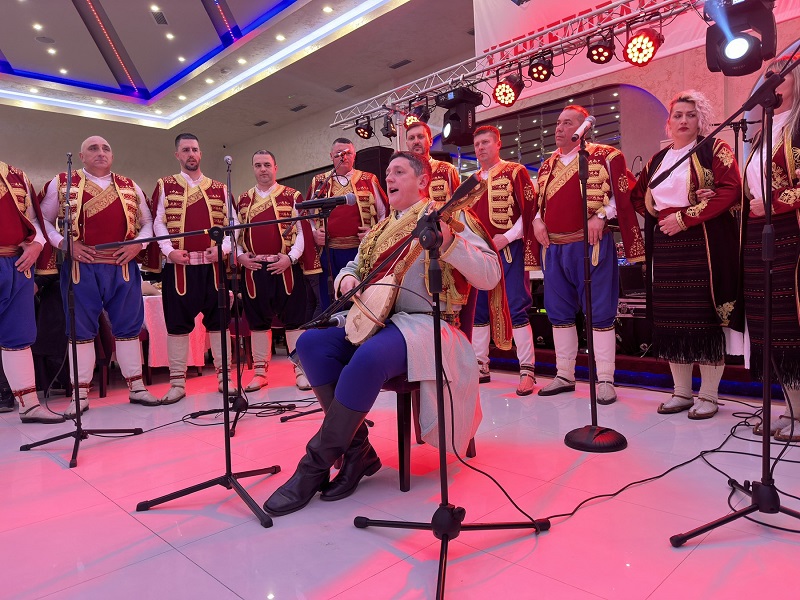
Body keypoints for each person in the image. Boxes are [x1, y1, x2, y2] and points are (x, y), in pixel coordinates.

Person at [263, 151, 504, 516]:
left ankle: (312, 467)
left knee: (370, 356)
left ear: (422, 181)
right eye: (387, 172)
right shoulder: (377, 229)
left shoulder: (451, 216)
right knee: (312, 343)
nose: (389, 178)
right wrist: (347, 278)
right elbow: (353, 265)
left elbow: (490, 274)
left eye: (399, 172)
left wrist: (450, 244)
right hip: (374, 320)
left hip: (427, 325)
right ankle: (358, 452)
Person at [631, 91, 743, 419]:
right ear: (668, 123)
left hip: (703, 243)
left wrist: (686, 216)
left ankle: (707, 396)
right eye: (677, 115)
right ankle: (681, 392)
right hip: (666, 245)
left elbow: (731, 188)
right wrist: (655, 212)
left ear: (700, 119)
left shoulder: (714, 149)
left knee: (703, 319)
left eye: (690, 115)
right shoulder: (657, 160)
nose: (683, 120)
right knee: (671, 319)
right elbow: (639, 197)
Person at [533, 105, 644, 404]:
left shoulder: (608, 156)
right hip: (554, 249)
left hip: (592, 245)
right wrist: (536, 221)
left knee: (600, 312)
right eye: (557, 123)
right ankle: (564, 374)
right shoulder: (546, 166)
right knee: (558, 313)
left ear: (584, 128)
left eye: (567, 123)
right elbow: (538, 206)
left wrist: (602, 215)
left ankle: (606, 378)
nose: (559, 128)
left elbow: (625, 194)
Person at [40, 137, 158, 416]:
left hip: (123, 266)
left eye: (105, 148)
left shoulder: (131, 186)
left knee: (129, 328)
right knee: (79, 332)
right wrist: (64, 244)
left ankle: (137, 388)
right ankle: (79, 394)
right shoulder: (62, 182)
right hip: (82, 267)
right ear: (81, 156)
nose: (100, 152)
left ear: (112, 155)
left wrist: (137, 245)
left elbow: (149, 222)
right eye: (93, 148)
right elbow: (42, 220)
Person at [152, 133, 236, 403]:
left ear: (201, 154)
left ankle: (225, 378)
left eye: (195, 150)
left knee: (220, 324)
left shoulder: (220, 187)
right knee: (177, 326)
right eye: (185, 150)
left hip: (213, 269)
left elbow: (232, 227)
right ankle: (177, 382)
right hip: (179, 269)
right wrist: (169, 251)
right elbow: (158, 223)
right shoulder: (164, 184)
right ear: (177, 155)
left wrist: (222, 250)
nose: (191, 154)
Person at [299, 137, 388, 389]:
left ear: (354, 155)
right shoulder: (319, 182)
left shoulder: (369, 179)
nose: (343, 157)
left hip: (361, 252)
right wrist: (316, 232)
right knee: (331, 302)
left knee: (361, 300)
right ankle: (332, 354)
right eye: (338, 153)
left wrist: (372, 231)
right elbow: (307, 215)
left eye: (348, 153)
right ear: (331, 156)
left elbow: (384, 214)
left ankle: (362, 352)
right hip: (330, 251)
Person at [743, 55, 800, 441]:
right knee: (769, 322)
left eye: (782, 74)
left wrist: (776, 202)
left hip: (792, 230)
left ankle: (799, 411)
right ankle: (786, 405)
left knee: (791, 319)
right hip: (761, 233)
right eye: (767, 75)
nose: (773, 80)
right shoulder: (762, 129)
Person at [235, 150, 318, 392]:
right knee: (258, 322)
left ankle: (301, 370)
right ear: (253, 168)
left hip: (285, 268)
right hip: (253, 270)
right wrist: (240, 256)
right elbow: (235, 236)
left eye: (267, 165)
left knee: (295, 321)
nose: (263, 169)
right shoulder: (243, 200)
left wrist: (290, 258)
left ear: (275, 168)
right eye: (258, 165)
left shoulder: (292, 196)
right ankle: (260, 373)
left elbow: (303, 232)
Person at [465, 125, 538, 396]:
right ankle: (480, 365)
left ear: (498, 144)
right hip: (479, 255)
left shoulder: (515, 171)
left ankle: (527, 371)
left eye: (485, 142)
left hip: (510, 250)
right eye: (477, 144)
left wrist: (507, 238)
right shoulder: (471, 181)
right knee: (479, 310)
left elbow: (529, 212)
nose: (481, 148)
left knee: (516, 305)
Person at [0, 160, 64, 423]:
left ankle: (28, 405)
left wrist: (37, 244)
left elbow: (35, 221)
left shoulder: (17, 175)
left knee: (18, 337)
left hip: (17, 264)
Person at [405, 120, 461, 203]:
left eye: (420, 136)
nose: (416, 141)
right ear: (407, 144)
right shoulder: (402, 174)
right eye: (411, 138)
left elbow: (460, 206)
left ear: (431, 141)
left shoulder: (447, 170)